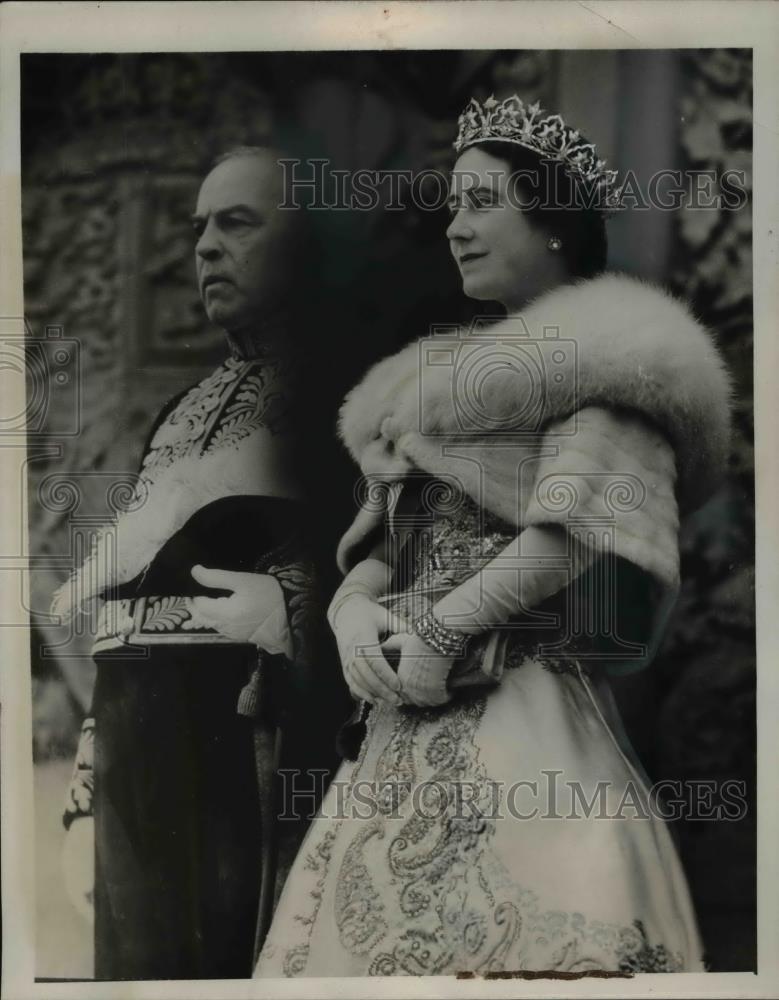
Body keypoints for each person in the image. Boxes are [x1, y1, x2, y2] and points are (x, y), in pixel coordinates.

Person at [254, 95, 731, 976]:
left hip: (522, 704)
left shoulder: (617, 359)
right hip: (399, 716)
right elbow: (385, 546)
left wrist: (443, 626)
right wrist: (351, 617)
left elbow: (576, 531)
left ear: (550, 218)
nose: (455, 228)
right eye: (449, 207)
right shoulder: (428, 384)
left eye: (481, 202)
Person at [57, 145, 347, 979]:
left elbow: (395, 566)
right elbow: (123, 594)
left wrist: (290, 610)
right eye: (197, 229)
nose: (204, 247)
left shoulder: (353, 395)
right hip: (137, 751)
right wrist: (88, 775)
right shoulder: (181, 411)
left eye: (237, 223)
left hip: (257, 747)